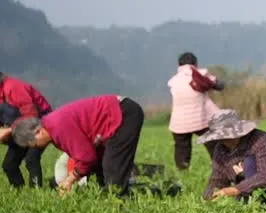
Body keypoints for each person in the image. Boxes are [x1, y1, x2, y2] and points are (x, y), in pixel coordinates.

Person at [11, 94, 145, 196]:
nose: (36, 147)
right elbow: (88, 156)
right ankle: (112, 198)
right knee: (102, 168)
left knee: (113, 168)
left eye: (33, 144)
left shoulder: (57, 128)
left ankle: (118, 206)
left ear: (38, 132)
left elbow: (86, 157)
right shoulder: (52, 128)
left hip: (123, 113)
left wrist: (69, 180)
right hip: (118, 114)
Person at [199, 109, 266, 202]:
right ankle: (248, 200)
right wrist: (208, 197)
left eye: (228, 136)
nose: (225, 140)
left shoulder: (261, 141)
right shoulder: (221, 148)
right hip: (247, 186)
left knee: (249, 163)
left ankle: (260, 202)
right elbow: (218, 178)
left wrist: (235, 190)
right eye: (221, 137)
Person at [168, 52, 223, 170]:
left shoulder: (173, 80)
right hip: (200, 118)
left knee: (181, 147)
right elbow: (219, 85)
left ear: (179, 65)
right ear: (195, 63)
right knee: (214, 144)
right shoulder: (201, 74)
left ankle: (182, 171)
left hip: (179, 122)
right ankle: (221, 167)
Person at [0, 72, 52, 188]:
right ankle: (21, 193)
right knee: (9, 165)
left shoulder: (13, 87)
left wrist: (8, 130)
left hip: (40, 125)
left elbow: (31, 115)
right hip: (19, 129)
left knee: (31, 159)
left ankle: (36, 193)